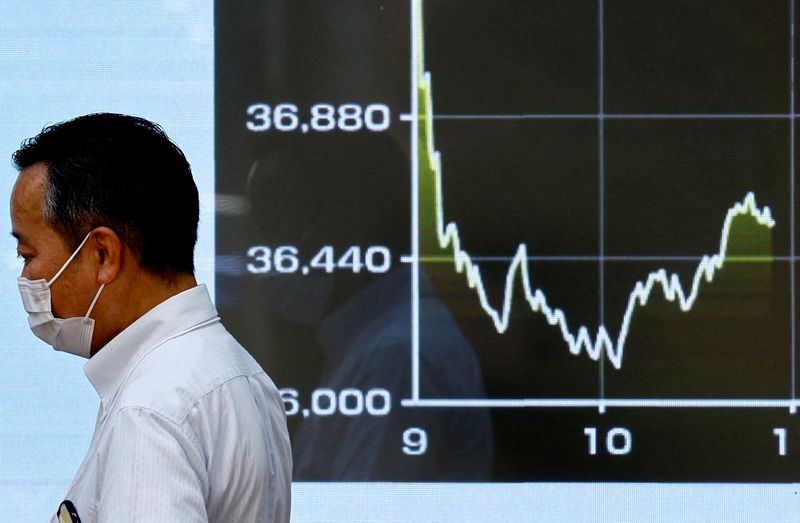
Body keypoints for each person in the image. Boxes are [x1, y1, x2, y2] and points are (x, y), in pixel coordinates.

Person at [9, 113, 291, 522]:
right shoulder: (237, 372)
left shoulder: (151, 408)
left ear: (102, 254)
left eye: (28, 255)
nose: (26, 279)